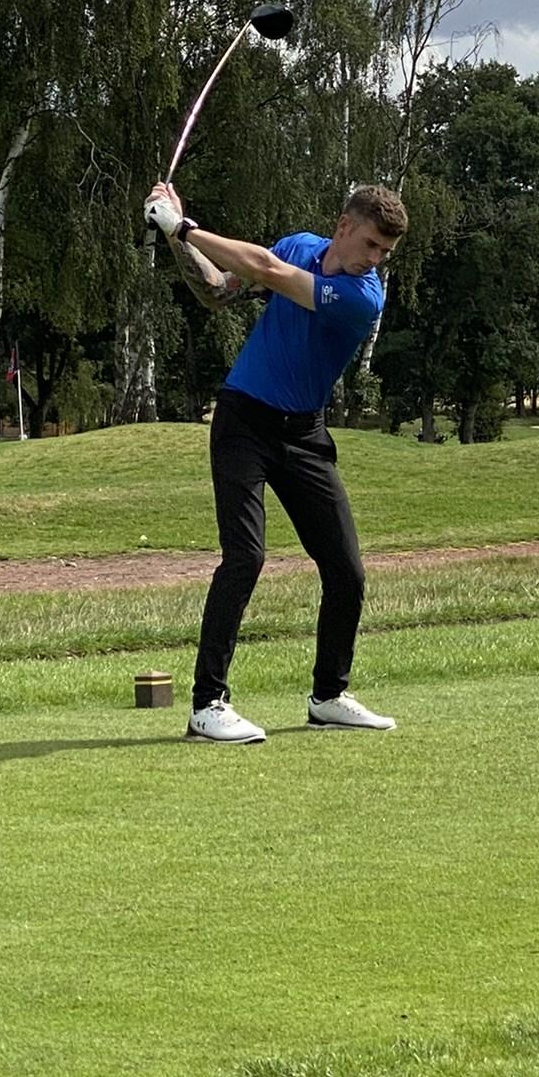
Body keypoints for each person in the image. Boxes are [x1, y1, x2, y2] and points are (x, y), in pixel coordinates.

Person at [144, 179, 408, 745]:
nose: (376, 259)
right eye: (371, 245)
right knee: (245, 556)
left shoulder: (363, 296)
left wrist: (183, 226)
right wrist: (174, 235)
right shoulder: (298, 246)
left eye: (385, 252)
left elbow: (265, 269)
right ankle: (207, 706)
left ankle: (329, 697)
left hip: (304, 434)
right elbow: (217, 290)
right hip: (243, 421)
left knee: (346, 569)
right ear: (344, 226)